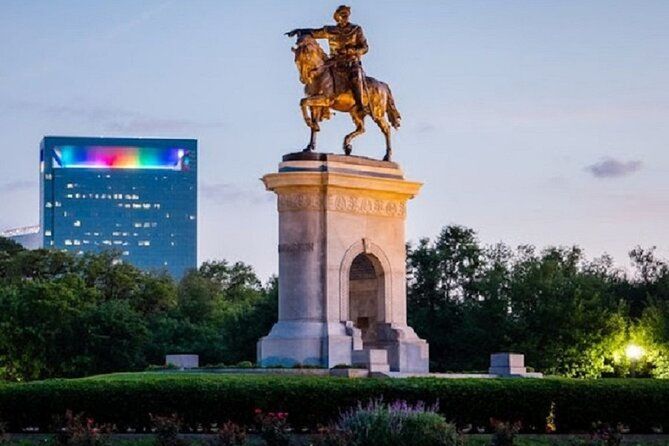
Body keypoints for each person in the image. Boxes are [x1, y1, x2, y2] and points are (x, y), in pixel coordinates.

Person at [286, 5, 369, 112]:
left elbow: (365, 48)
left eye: (346, 15)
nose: (344, 18)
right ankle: (319, 103)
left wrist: (350, 51)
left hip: (350, 63)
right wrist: (299, 31)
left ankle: (360, 105)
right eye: (342, 15)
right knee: (316, 73)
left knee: (356, 77)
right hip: (333, 62)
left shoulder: (356, 29)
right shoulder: (330, 30)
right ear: (337, 17)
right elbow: (313, 32)